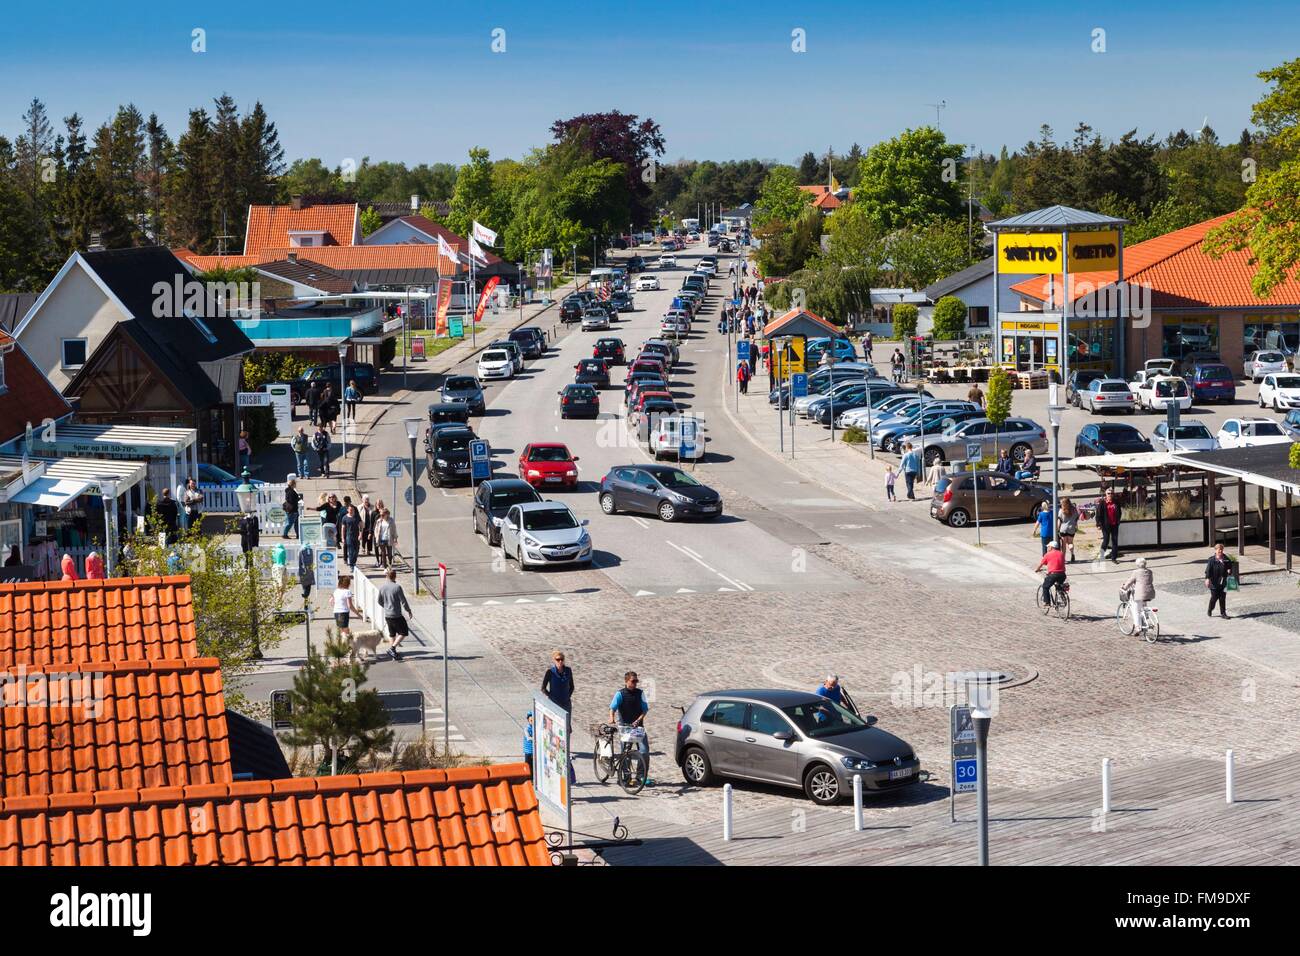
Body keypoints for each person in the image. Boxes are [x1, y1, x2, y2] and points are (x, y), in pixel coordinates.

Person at [609, 670, 649, 771]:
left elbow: (645, 710)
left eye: (636, 681)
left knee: (644, 751)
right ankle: (625, 777)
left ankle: (641, 775)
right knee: (625, 753)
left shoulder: (640, 693)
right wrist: (611, 718)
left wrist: (638, 720)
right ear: (626, 681)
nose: (635, 683)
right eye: (633, 681)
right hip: (625, 728)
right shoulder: (620, 694)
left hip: (638, 727)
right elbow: (612, 708)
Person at [377, 568, 413, 660]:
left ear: (386, 576)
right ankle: (392, 649)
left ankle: (393, 653)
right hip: (396, 614)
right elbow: (403, 601)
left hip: (387, 615)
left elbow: (379, 601)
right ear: (395, 576)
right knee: (404, 632)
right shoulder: (397, 587)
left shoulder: (382, 587)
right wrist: (408, 610)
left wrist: (386, 607)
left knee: (392, 633)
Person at [1122, 557, 1156, 632]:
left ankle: (1138, 627)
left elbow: (1130, 581)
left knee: (1136, 610)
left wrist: (1124, 587)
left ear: (1137, 565)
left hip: (1139, 594)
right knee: (1143, 607)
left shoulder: (1136, 572)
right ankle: (1145, 622)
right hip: (1150, 593)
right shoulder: (1150, 571)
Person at [1035, 539, 1067, 608]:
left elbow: (1042, 564)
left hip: (1053, 574)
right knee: (1059, 586)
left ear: (1051, 547)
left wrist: (1037, 570)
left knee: (1045, 587)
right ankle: (1062, 596)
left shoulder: (1047, 554)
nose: (1047, 548)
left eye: (1048, 547)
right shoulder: (1061, 553)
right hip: (1062, 574)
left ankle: (1047, 603)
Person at [1205, 542, 1232, 618]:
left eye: (1222, 550)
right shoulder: (1212, 560)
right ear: (1216, 550)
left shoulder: (1226, 559)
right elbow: (1208, 570)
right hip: (1214, 582)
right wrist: (1207, 579)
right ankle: (1210, 608)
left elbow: (1230, 567)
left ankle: (1223, 613)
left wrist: (1229, 570)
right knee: (1214, 597)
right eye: (1219, 550)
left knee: (1222, 597)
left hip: (1224, 582)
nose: (1220, 552)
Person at [1096, 487, 1122, 562]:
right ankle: (1101, 556)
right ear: (1106, 494)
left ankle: (1114, 558)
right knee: (1106, 541)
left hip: (1114, 524)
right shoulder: (1102, 503)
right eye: (1108, 493)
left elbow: (1119, 512)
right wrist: (1098, 524)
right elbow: (1098, 514)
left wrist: (1118, 520)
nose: (1110, 495)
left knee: (1115, 541)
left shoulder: (1116, 502)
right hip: (1105, 525)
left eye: (1111, 493)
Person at [332, 574, 361, 638]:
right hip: (343, 613)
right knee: (346, 631)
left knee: (341, 630)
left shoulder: (336, 591)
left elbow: (332, 602)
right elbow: (350, 605)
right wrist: (358, 614)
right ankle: (347, 645)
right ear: (348, 583)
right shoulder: (347, 592)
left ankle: (341, 644)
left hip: (336, 612)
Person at [340, 503, 361, 569]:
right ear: (348, 510)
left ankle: (353, 562)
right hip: (349, 536)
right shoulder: (345, 518)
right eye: (350, 509)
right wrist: (343, 538)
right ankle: (352, 565)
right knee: (351, 551)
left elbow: (361, 526)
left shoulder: (357, 517)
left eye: (352, 509)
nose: (351, 511)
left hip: (356, 536)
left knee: (356, 550)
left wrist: (360, 534)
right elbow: (343, 528)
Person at [523, 711, 535, 777]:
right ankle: (528, 778)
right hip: (528, 751)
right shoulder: (526, 728)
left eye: (533, 720)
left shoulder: (535, 728)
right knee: (528, 765)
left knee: (533, 765)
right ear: (528, 720)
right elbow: (528, 738)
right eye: (531, 720)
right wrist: (536, 738)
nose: (532, 721)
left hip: (534, 750)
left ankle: (533, 778)